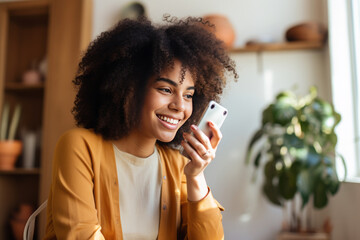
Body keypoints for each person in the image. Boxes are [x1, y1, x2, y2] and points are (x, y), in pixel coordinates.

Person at [43, 15, 238, 240]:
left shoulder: (177, 165)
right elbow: (81, 235)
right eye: (166, 89)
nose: (179, 106)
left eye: (188, 95)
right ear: (128, 89)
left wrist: (195, 176)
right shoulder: (80, 146)